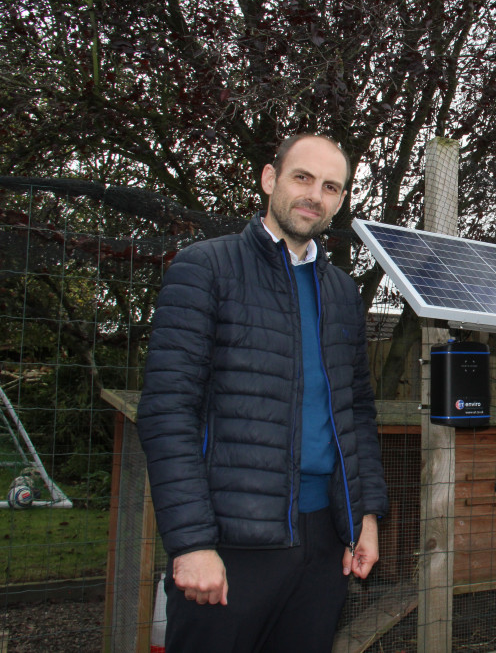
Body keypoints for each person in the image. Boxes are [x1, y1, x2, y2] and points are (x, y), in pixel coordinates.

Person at [137, 133, 388, 652]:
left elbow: (356, 413)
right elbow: (167, 413)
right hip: (230, 539)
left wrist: (364, 515)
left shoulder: (341, 292)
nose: (314, 195)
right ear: (270, 180)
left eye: (331, 187)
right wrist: (191, 543)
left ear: (340, 201)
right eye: (302, 177)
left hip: (324, 539)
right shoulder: (205, 268)